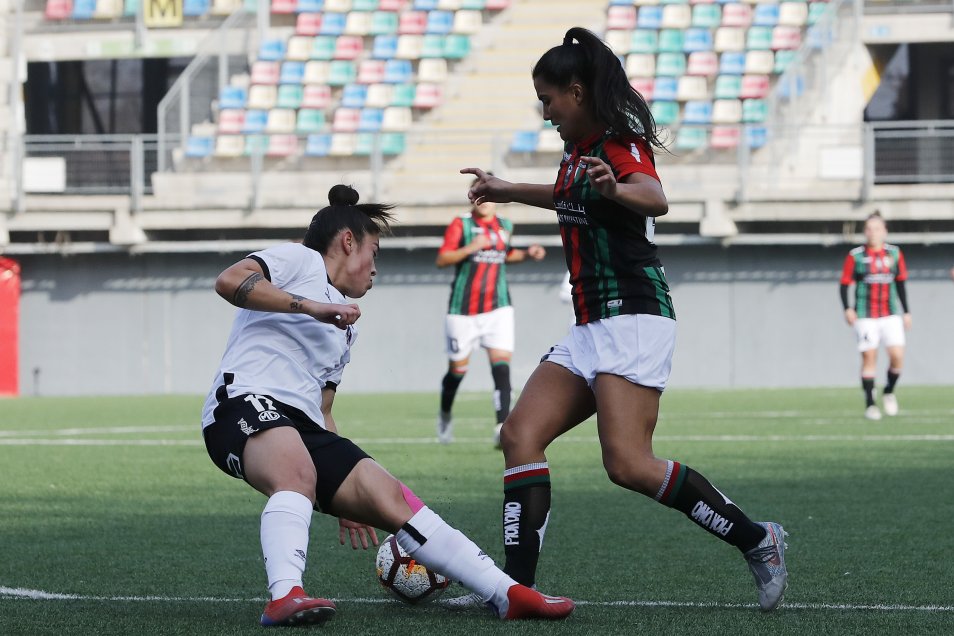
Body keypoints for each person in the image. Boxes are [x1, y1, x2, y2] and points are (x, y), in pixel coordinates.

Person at [445, 27, 788, 613]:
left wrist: (619, 189)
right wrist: (504, 190)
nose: (544, 111)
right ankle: (513, 592)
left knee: (628, 465)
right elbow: (565, 195)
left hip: (634, 317)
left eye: (548, 99)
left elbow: (654, 196)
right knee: (519, 435)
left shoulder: (618, 143)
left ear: (575, 92)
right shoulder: (577, 152)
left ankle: (759, 539)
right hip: (591, 325)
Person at [200, 185, 575, 627]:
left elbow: (323, 408)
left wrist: (341, 487)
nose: (375, 269)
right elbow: (230, 281)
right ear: (347, 242)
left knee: (392, 497)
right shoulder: (299, 260)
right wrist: (310, 307)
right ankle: (285, 595)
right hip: (243, 402)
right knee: (296, 474)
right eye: (373, 253)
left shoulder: (347, 323)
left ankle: (506, 593)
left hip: (302, 426)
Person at [436, 182, 546, 446]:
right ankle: (445, 414)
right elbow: (442, 259)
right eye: (479, 195)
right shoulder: (460, 225)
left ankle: (502, 426)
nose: (486, 200)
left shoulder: (505, 226)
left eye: (490, 195)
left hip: (499, 307)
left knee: (501, 365)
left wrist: (528, 254)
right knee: (457, 371)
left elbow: (505, 255)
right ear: (473, 198)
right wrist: (471, 248)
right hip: (462, 311)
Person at [839, 212, 912, 420]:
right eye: (869, 229)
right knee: (869, 357)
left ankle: (888, 391)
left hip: (890, 313)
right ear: (865, 232)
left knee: (897, 357)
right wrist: (847, 308)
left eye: (877, 228)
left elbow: (900, 283)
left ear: (885, 231)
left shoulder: (894, 254)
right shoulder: (856, 256)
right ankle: (870, 404)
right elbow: (844, 284)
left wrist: (906, 311)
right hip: (865, 315)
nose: (873, 233)